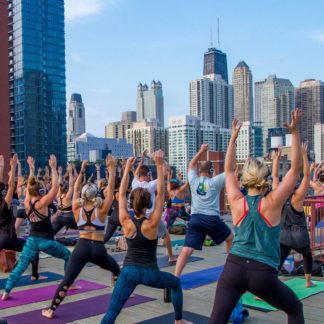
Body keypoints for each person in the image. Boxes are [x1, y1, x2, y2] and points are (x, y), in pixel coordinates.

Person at [209, 109, 304, 324]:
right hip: (262, 273)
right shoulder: (272, 202)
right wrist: (295, 131)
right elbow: (295, 170)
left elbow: (229, 170)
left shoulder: (236, 201)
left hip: (233, 268)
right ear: (265, 180)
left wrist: (233, 137)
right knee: (295, 309)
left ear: (246, 179)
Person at [101, 151, 191, 324]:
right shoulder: (152, 223)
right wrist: (159, 164)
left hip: (128, 273)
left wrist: (122, 167)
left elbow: (119, 195)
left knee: (111, 314)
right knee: (175, 283)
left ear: (132, 203)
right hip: (150, 273)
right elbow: (161, 194)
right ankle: (179, 321)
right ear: (148, 204)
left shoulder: (125, 221)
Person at [42, 155, 121, 319]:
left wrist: (80, 170)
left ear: (83, 196)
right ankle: (119, 290)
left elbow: (75, 187)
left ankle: (51, 310)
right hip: (98, 249)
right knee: (115, 269)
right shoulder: (102, 209)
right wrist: (112, 169)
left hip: (82, 247)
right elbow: (112, 189)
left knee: (67, 280)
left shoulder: (77, 208)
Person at [2, 155, 71, 301]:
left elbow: (28, 187)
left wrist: (32, 170)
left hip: (32, 240)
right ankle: (68, 284)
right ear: (40, 191)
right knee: (68, 256)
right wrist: (53, 168)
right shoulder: (42, 202)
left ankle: (6, 292)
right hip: (46, 241)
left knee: (20, 267)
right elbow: (56, 187)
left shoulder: (27, 202)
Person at [174, 144, 233, 277]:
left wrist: (201, 151)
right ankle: (230, 269)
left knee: (187, 250)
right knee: (230, 239)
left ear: (199, 171)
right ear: (211, 172)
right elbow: (230, 169)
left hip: (195, 219)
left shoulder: (193, 180)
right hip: (211, 219)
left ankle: (176, 277)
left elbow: (191, 165)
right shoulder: (214, 182)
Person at [274, 143, 315, 287]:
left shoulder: (279, 196)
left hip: (283, 235)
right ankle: (308, 282)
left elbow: (274, 177)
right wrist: (304, 155)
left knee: (279, 260)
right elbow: (307, 176)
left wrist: (276, 160)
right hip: (299, 236)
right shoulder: (297, 198)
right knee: (307, 255)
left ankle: (267, 287)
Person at [0, 154, 42, 281]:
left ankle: (18, 265)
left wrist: (2, 167)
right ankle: (35, 275)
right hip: (7, 238)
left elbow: (3, 184)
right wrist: (12, 167)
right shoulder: (3, 205)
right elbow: (11, 185)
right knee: (34, 249)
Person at [132, 150, 176, 262]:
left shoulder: (134, 183)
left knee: (139, 238)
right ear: (147, 175)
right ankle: (171, 257)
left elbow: (136, 173)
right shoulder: (150, 185)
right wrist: (160, 161)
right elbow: (165, 172)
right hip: (151, 216)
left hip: (137, 216)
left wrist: (142, 159)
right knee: (165, 235)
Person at [52, 164, 78, 235]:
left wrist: (60, 174)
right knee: (82, 227)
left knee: (52, 233)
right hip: (68, 217)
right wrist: (70, 172)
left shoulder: (58, 195)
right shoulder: (67, 197)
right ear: (66, 189)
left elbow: (60, 185)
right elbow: (71, 186)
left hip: (59, 217)